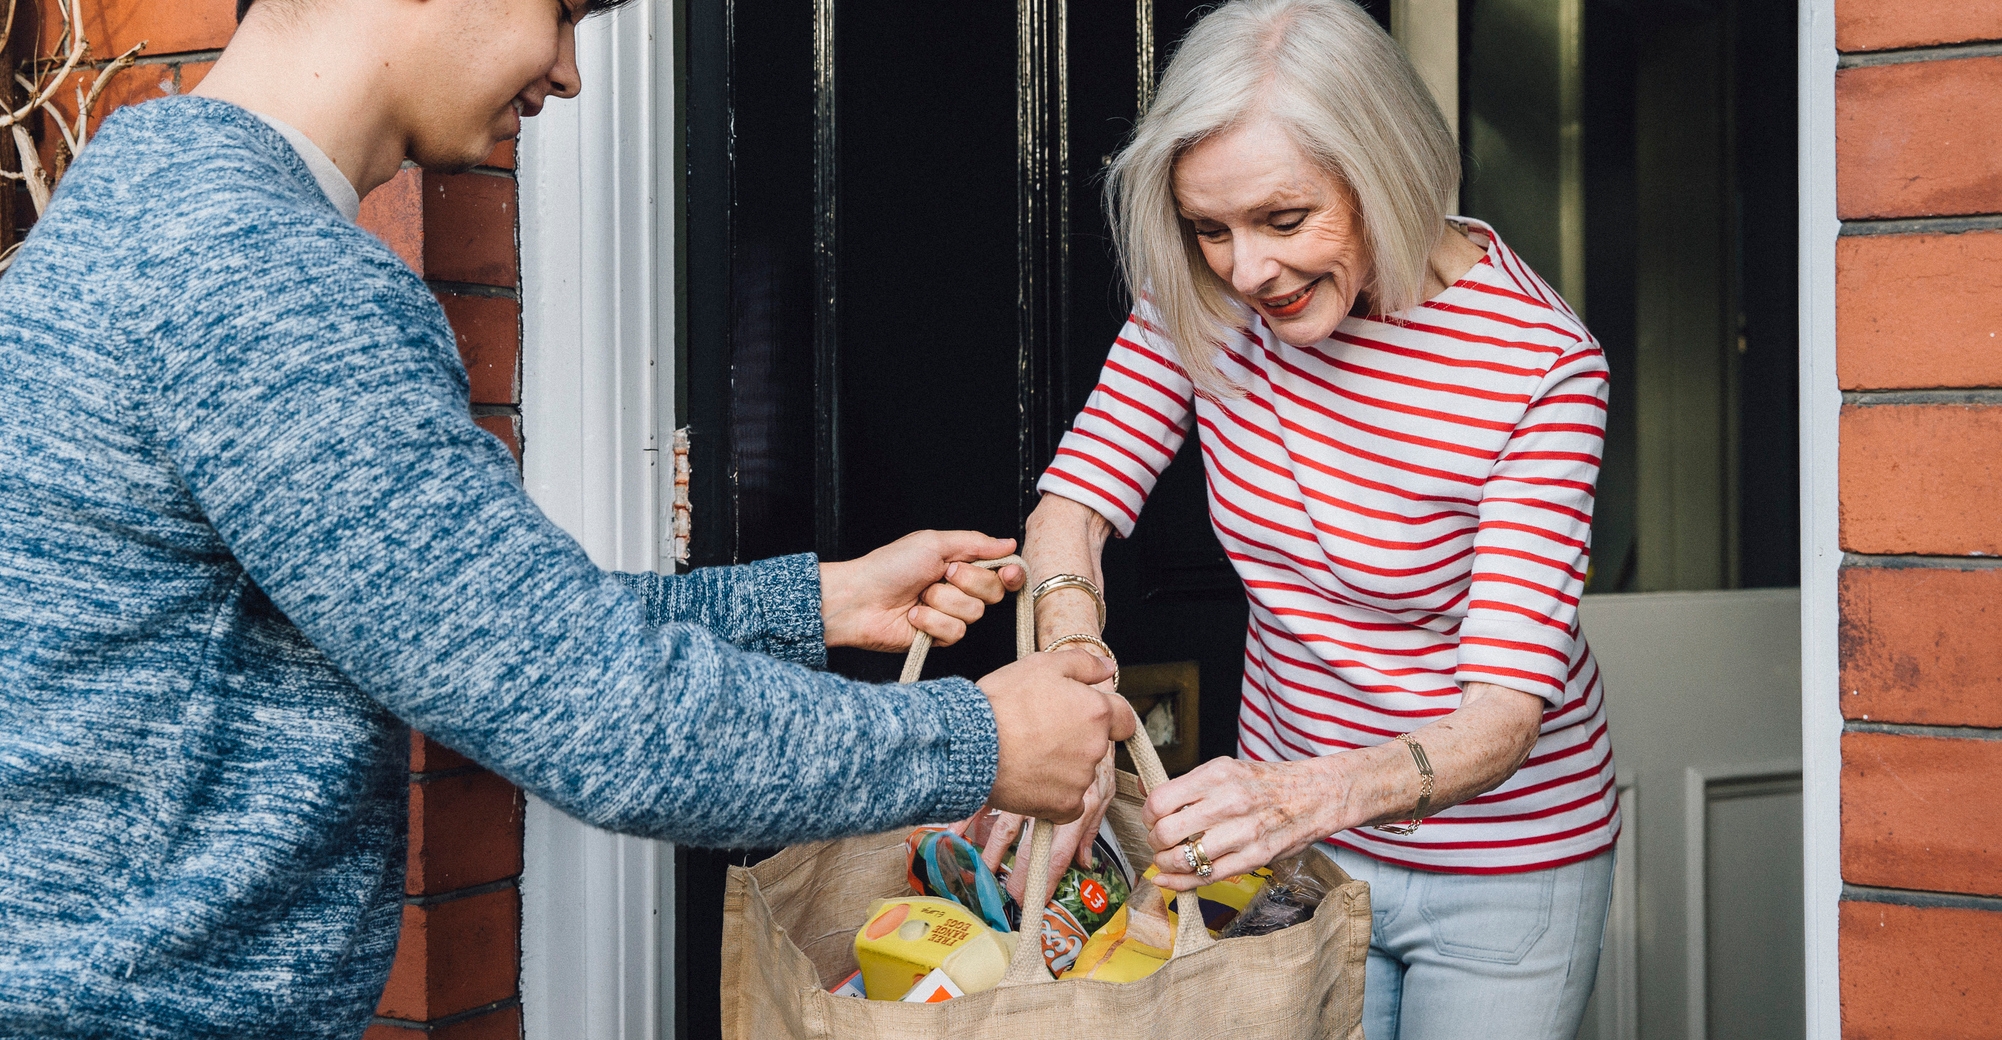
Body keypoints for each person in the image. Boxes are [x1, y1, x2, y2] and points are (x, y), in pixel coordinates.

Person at [0, 0, 1133, 1036]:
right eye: (564, 11)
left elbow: (480, 625)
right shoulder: (265, 275)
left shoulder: (151, 201)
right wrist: (980, 742)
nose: (571, 72)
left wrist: (814, 602)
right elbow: (594, 707)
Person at [985, 1, 1619, 1037]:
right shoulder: (1205, 298)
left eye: (1284, 221)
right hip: (1295, 850)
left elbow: (1502, 717)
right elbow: (1075, 507)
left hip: (1502, 865)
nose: (1245, 271)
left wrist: (1301, 797)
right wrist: (1073, 686)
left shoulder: (1538, 364)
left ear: (1386, 171)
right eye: (1210, 228)